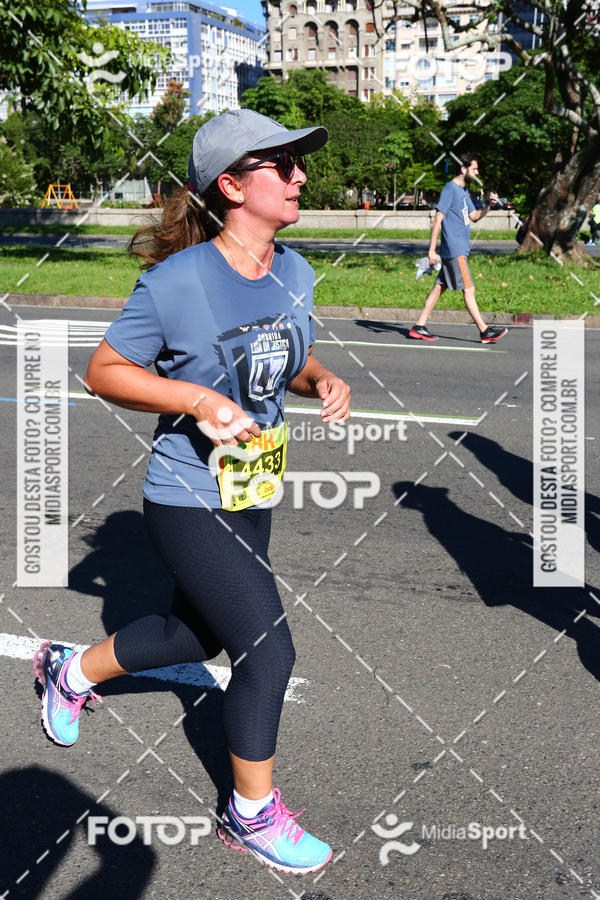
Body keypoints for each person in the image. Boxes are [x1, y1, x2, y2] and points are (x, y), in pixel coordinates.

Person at [33, 109, 351, 875]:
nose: (301, 174)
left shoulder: (297, 272)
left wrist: (324, 378)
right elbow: (104, 372)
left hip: (255, 487)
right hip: (186, 495)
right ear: (232, 184)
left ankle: (67, 670)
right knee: (268, 650)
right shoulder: (176, 281)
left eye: (297, 162)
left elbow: (288, 360)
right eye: (282, 163)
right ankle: (250, 815)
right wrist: (195, 401)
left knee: (195, 637)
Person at [409, 153, 508, 344]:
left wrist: (488, 205)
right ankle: (484, 330)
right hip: (455, 250)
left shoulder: (464, 192)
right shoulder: (450, 189)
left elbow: (474, 216)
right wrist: (431, 250)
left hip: (457, 249)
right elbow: (438, 219)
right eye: (474, 169)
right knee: (469, 289)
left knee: (439, 287)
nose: (477, 172)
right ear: (463, 169)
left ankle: (419, 327)